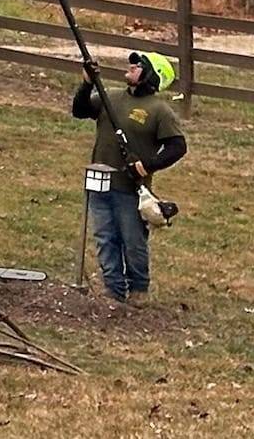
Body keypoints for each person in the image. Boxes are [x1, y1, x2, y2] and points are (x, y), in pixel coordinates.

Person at [71, 47, 188, 306]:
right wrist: (86, 83)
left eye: (138, 66)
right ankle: (113, 291)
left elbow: (177, 146)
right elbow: (79, 110)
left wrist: (147, 166)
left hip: (129, 189)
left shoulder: (159, 110)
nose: (131, 67)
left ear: (150, 76)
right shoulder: (110, 97)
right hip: (99, 183)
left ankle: (139, 290)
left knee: (132, 240)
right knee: (105, 238)